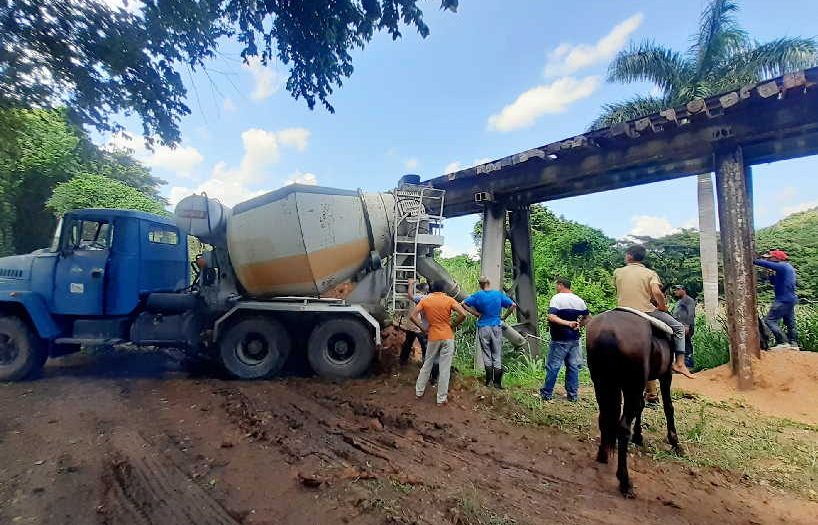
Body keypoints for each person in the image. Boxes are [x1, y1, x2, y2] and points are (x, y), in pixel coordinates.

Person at [613, 245, 694, 379]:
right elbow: (656, 292)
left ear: (629, 256)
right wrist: (662, 306)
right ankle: (679, 363)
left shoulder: (618, 272)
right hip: (645, 311)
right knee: (679, 328)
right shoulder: (650, 273)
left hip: (622, 310)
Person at [411, 280, 468, 405]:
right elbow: (463, 314)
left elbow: (412, 315)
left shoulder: (425, 300)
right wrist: (452, 325)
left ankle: (419, 393)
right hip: (447, 336)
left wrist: (423, 328)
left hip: (433, 336)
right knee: (445, 368)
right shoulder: (449, 300)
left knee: (427, 364)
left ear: (431, 288)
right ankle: (441, 399)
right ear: (443, 289)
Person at [462, 276, 517, 389]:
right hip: (496, 326)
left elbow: (463, 303)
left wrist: (476, 314)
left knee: (486, 354)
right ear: (489, 282)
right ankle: (497, 383)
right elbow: (513, 305)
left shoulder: (478, 295)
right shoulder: (497, 294)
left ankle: (488, 382)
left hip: (483, 327)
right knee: (496, 354)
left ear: (480, 284)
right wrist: (504, 317)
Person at [539, 278, 590, 402]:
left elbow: (551, 316)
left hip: (559, 339)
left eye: (557, 285)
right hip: (575, 339)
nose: (556, 287)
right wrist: (578, 324)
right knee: (573, 367)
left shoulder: (557, 298)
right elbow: (588, 318)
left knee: (553, 366)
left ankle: (547, 393)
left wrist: (567, 323)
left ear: (561, 285)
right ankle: (572, 395)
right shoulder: (579, 300)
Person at [754, 250, 799, 350]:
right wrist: (770, 274)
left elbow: (762, 263)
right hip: (790, 299)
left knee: (769, 320)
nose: (768, 259)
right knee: (790, 323)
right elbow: (774, 282)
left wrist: (753, 260)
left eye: (770, 257)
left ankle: (783, 342)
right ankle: (793, 344)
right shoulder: (786, 268)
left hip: (783, 300)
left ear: (776, 258)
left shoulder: (783, 266)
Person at [400, 279, 438, 382]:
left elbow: (409, 295)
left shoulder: (416, 297)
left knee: (407, 343)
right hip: (421, 327)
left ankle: (402, 362)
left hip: (411, 326)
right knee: (426, 349)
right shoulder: (425, 298)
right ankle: (428, 373)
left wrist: (410, 284)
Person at [672, 285, 696, 369]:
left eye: (678, 289)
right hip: (679, 326)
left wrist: (687, 325)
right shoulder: (679, 301)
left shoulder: (689, 300)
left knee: (686, 344)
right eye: (675, 290)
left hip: (686, 326)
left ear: (684, 290)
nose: (676, 291)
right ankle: (680, 364)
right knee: (680, 344)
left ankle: (688, 365)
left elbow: (691, 313)